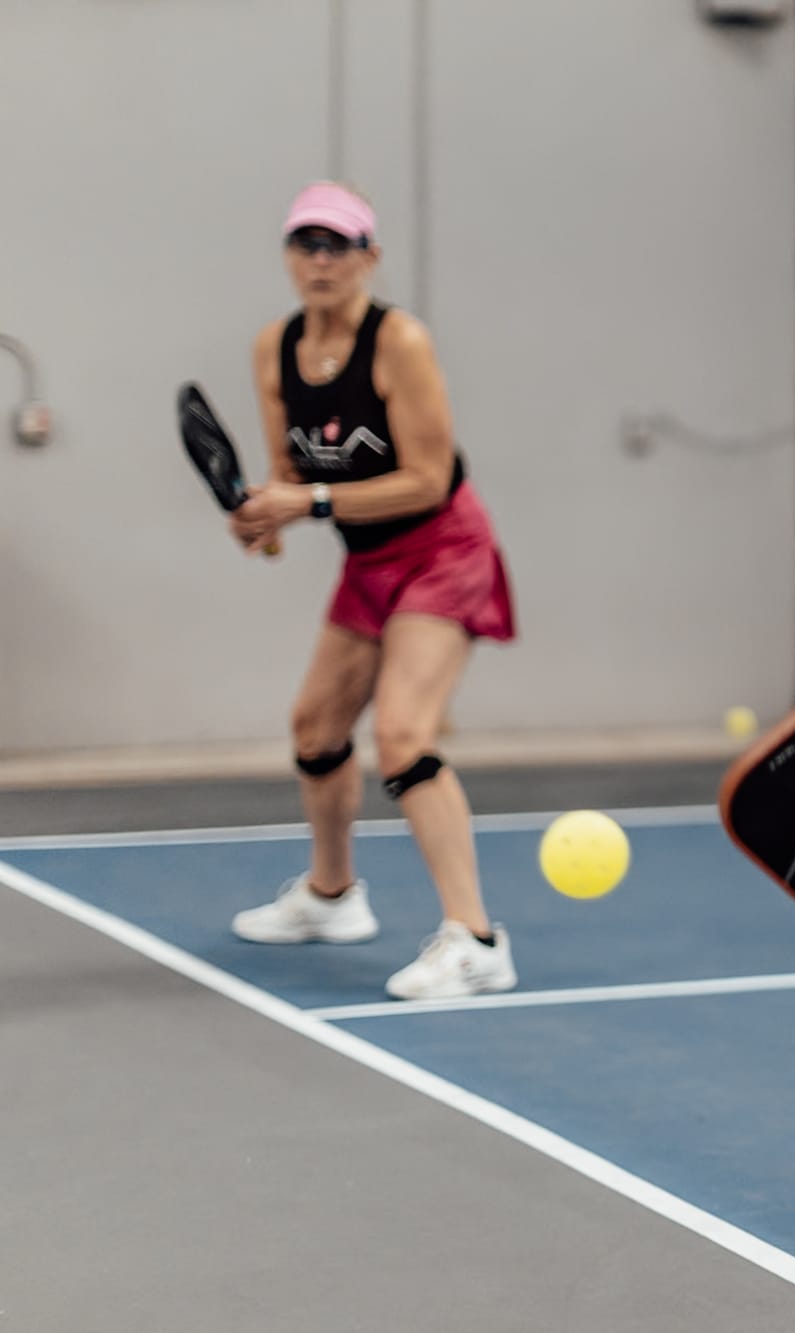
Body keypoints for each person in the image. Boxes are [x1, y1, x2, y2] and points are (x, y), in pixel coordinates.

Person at [224, 181, 520, 1001]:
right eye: (306, 244)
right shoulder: (274, 348)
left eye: (338, 245)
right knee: (316, 727)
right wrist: (266, 520)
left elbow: (427, 478)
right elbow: (289, 474)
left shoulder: (400, 342)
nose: (320, 261)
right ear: (288, 255)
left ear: (370, 257)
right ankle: (331, 897)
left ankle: (478, 940)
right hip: (369, 561)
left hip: (445, 549)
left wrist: (310, 503)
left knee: (402, 733)